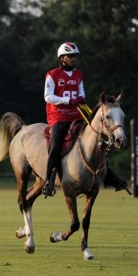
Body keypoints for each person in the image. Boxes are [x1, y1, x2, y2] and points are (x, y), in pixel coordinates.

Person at [42, 42, 128, 196]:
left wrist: (81, 97)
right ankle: (49, 180)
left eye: (75, 56)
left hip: (77, 115)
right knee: (55, 145)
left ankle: (109, 176)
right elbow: (48, 96)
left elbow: (81, 92)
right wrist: (67, 101)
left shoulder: (78, 75)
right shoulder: (52, 74)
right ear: (62, 58)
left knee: (97, 141)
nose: (74, 59)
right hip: (59, 117)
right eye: (70, 56)